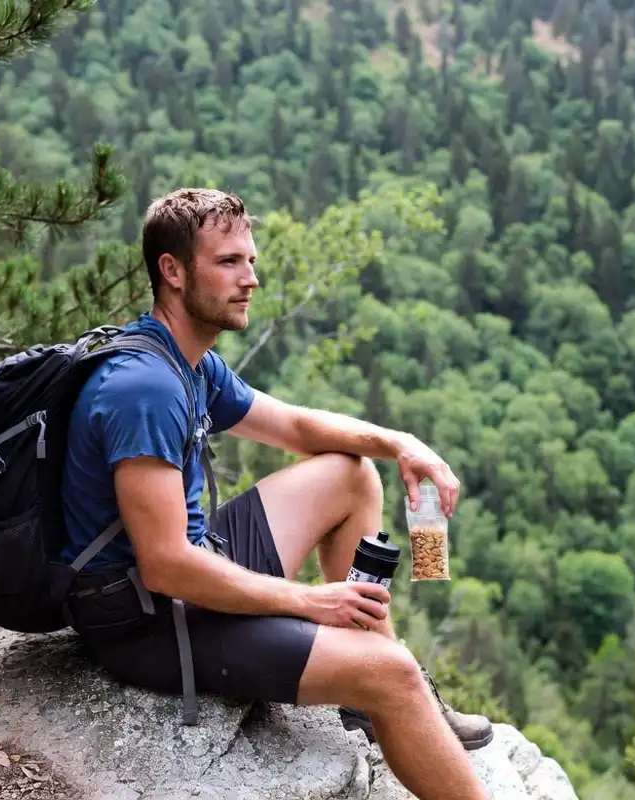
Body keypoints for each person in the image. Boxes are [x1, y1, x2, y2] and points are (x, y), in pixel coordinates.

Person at [59, 188, 493, 799]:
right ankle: (387, 686)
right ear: (173, 272)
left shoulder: (189, 362)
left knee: (350, 473)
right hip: (149, 622)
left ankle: (376, 697)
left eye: (252, 261)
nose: (251, 279)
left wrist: (399, 443)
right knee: (391, 674)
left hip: (196, 565)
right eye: (230, 263)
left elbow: (292, 426)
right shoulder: (145, 389)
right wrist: (312, 603)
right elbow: (164, 566)